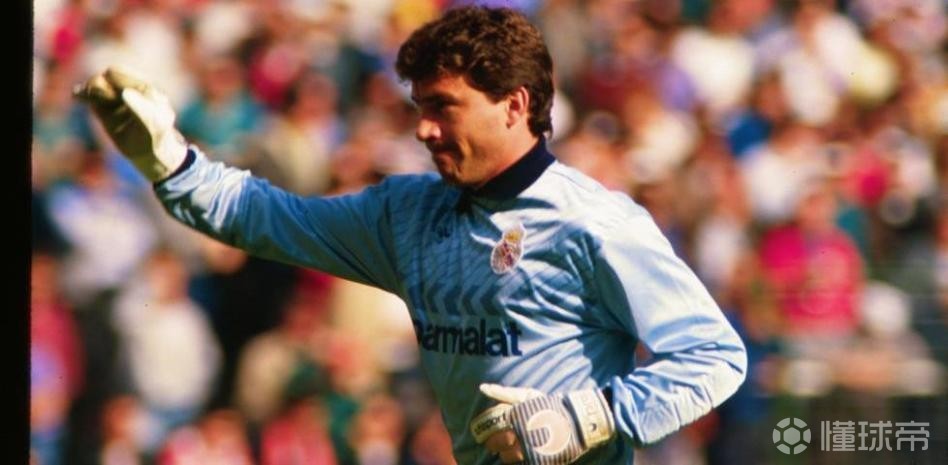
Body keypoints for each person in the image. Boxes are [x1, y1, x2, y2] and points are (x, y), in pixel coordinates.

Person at [74, 6, 746, 465]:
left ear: (514, 105)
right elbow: (270, 218)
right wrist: (171, 163)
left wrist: (590, 417)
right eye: (420, 108)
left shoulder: (594, 223)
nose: (424, 129)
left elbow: (714, 357)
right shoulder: (407, 215)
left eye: (443, 107)